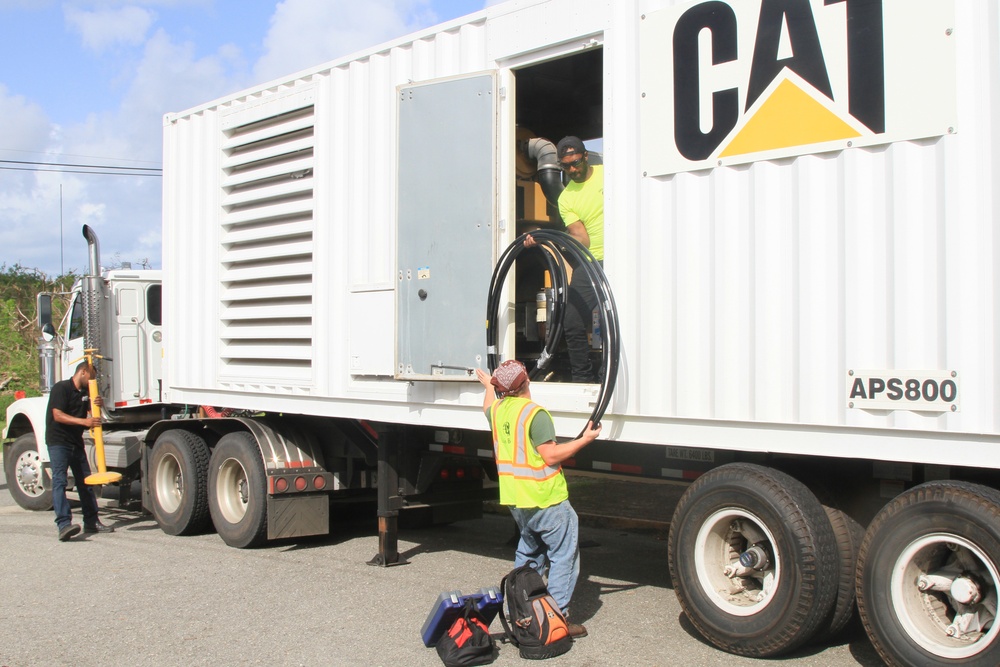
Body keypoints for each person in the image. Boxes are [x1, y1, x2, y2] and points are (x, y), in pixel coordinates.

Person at [476, 360, 602, 638]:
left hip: (517, 501)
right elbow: (551, 455)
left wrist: (488, 386)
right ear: (526, 383)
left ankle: (521, 614)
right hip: (547, 499)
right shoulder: (535, 414)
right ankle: (556, 620)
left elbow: (487, 405)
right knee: (563, 557)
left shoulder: (497, 411)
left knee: (529, 555)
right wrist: (586, 439)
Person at [527, 135, 604, 382]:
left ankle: (609, 373)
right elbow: (582, 240)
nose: (573, 169)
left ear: (585, 156)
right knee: (571, 320)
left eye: (576, 162)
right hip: (593, 264)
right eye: (566, 166)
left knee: (615, 320)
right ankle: (583, 378)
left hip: (624, 258)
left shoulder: (609, 174)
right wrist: (548, 237)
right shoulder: (566, 198)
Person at [45, 361, 114, 541]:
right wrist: (84, 422)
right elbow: (57, 415)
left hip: (76, 442)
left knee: (86, 482)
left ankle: (91, 521)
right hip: (58, 442)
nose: (93, 381)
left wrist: (96, 404)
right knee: (60, 481)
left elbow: (92, 415)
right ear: (82, 372)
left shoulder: (85, 393)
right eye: (91, 377)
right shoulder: (62, 388)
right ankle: (64, 525)